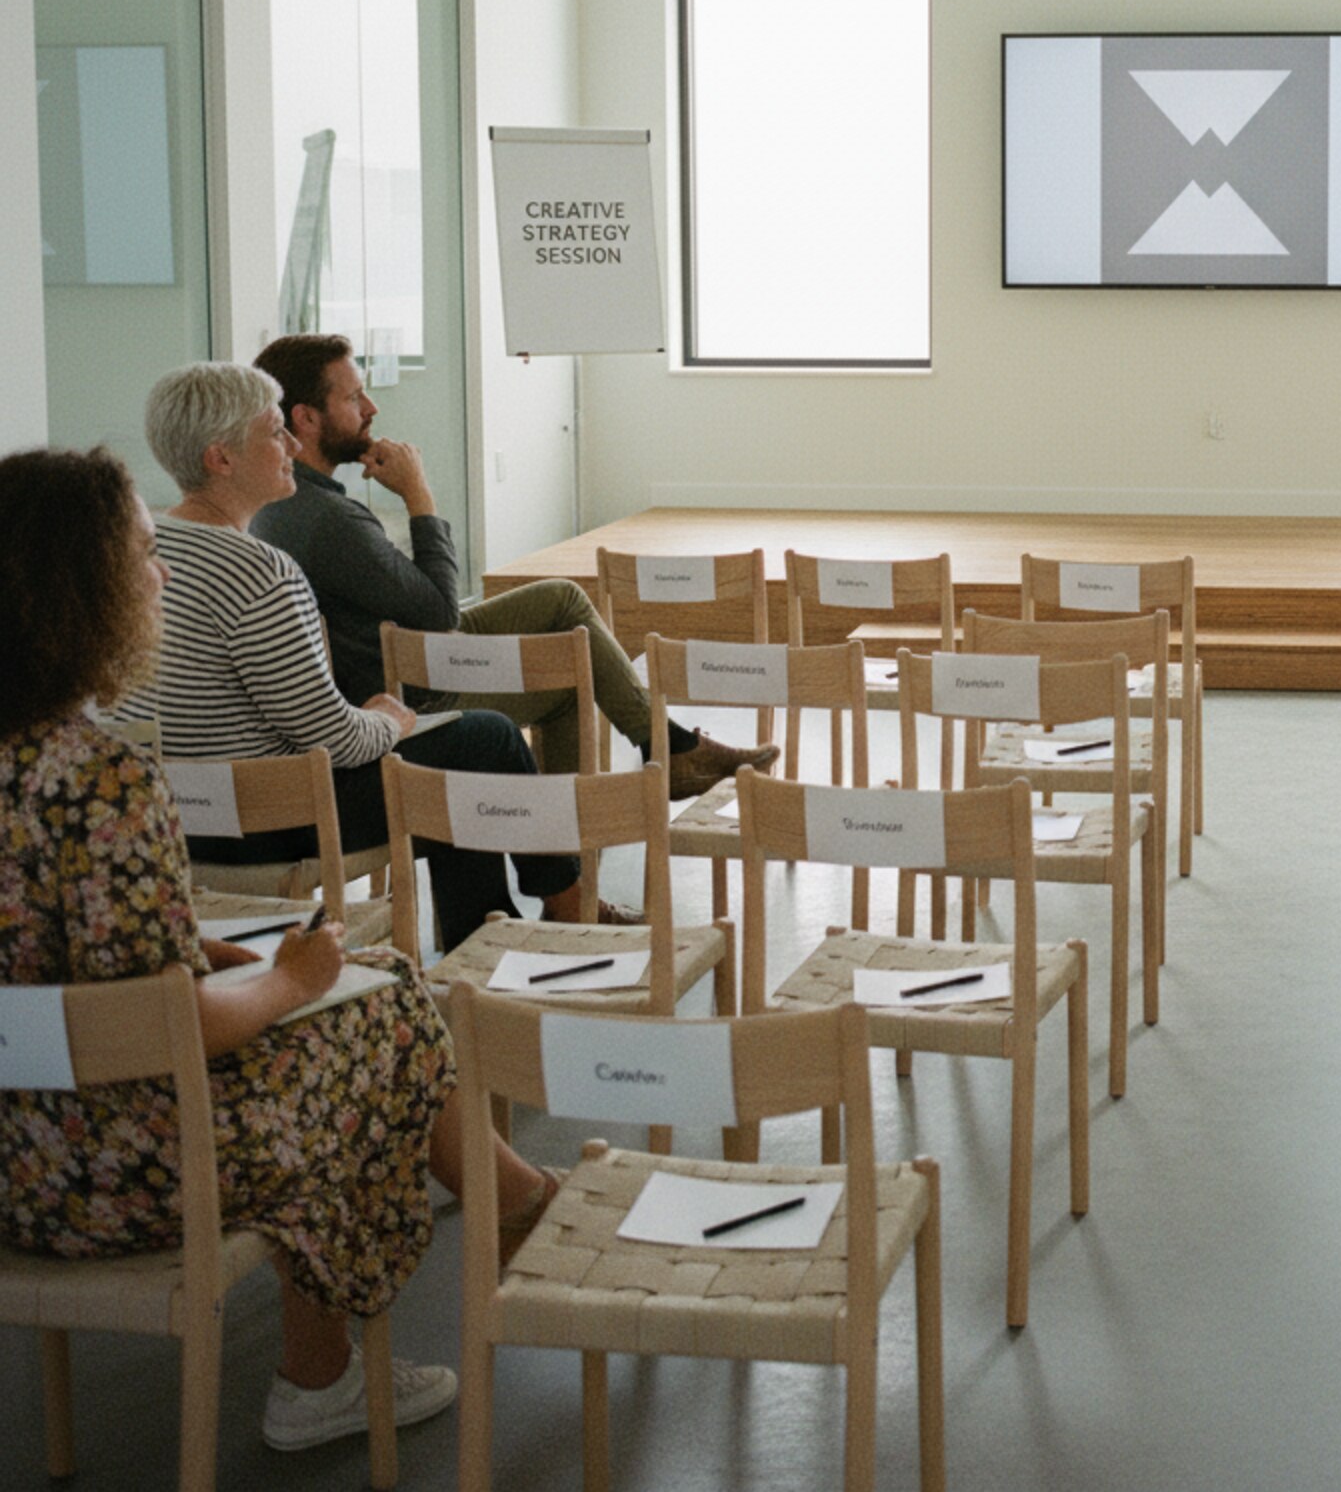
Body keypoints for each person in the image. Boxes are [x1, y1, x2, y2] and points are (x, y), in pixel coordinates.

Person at [0, 446, 562, 1454]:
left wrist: (201, 948)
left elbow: (67, 965)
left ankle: (500, 1204)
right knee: (367, 1035)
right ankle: (332, 1364)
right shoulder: (106, 781)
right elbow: (167, 1030)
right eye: (140, 554)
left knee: (379, 981)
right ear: (80, 595)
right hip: (117, 1169)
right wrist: (288, 975)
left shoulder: (34, 766)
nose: (162, 570)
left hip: (15, 1153)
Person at [107, 362, 601, 950]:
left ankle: (488, 934)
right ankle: (572, 922)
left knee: (451, 763)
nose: (292, 445)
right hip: (268, 822)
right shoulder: (259, 570)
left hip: (179, 818)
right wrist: (387, 719)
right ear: (222, 458)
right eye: (274, 432)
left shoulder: (146, 550)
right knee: (485, 740)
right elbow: (334, 740)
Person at [248, 334, 775, 794]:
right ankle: (570, 870)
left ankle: (670, 744)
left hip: (402, 644)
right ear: (306, 417)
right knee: (572, 683)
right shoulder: (330, 520)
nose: (371, 407)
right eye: (354, 395)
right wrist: (419, 496)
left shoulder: (288, 502)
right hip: (414, 682)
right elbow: (440, 613)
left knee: (561, 598)